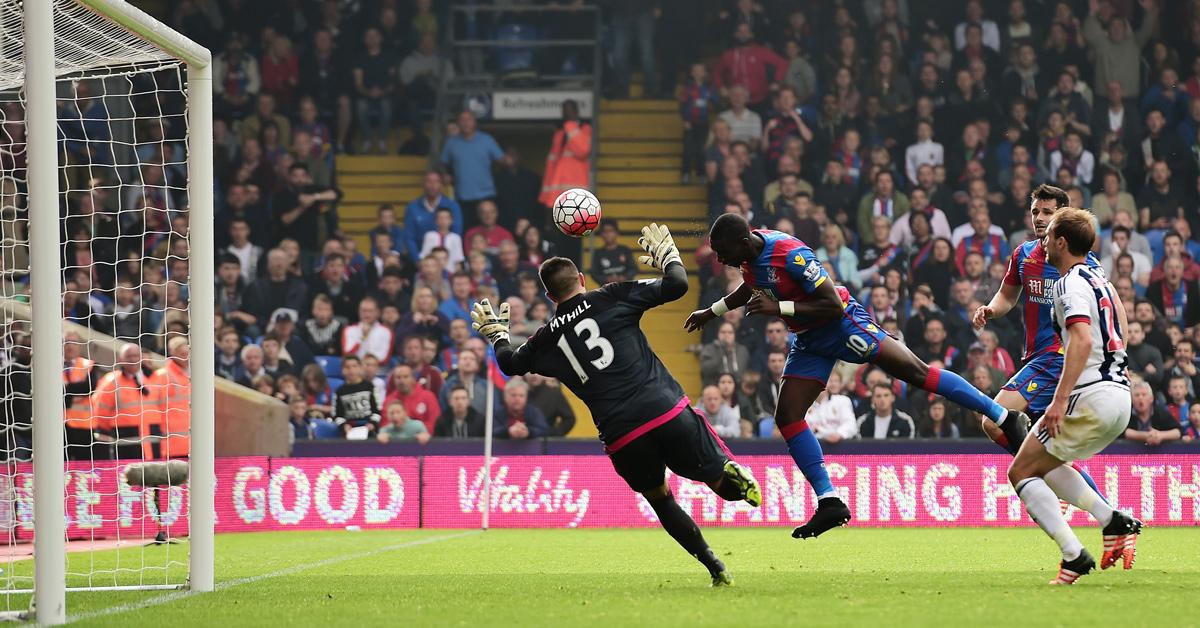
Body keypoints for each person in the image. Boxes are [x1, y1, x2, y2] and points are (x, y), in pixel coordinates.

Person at [687, 213, 1030, 539]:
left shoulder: (790, 254)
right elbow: (751, 286)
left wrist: (779, 308)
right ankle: (829, 501)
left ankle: (1004, 416)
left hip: (843, 325)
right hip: (810, 340)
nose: (720, 259)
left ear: (743, 242)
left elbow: (832, 304)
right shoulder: (748, 258)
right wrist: (711, 312)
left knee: (917, 372)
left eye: (722, 252)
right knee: (788, 417)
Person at [475, 224, 759, 586]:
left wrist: (498, 336)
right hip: (664, 409)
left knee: (661, 499)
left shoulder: (545, 339)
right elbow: (677, 285)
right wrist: (669, 257)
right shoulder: (609, 296)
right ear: (581, 279)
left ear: (549, 295)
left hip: (623, 436)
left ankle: (714, 566)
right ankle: (729, 471)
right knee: (718, 479)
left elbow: (510, 363)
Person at [1007, 207, 1141, 585]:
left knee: (1020, 471)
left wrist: (1059, 400)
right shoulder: (1101, 280)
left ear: (1062, 242)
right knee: (1047, 463)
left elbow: (1080, 339)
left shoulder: (1068, 283)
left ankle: (1073, 555)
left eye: (1049, 235)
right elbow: (1120, 329)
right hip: (1118, 396)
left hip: (1091, 396)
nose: (1044, 242)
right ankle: (1111, 520)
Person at [440, 111, 503, 224]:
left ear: (474, 122)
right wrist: (445, 174)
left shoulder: (487, 140)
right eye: (462, 120)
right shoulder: (451, 143)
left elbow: (502, 160)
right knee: (466, 230)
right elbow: (442, 163)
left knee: (487, 229)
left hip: (486, 195)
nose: (466, 123)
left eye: (469, 119)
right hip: (462, 197)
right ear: (458, 123)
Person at [538, 100, 591, 208]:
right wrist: (547, 195)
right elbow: (551, 164)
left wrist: (570, 125)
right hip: (557, 193)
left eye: (569, 111)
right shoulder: (559, 134)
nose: (566, 114)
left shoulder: (585, 129)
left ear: (576, 112)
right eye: (564, 111)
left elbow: (582, 151)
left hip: (577, 193)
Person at [333, 355, 380, 439]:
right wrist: (343, 425)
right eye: (347, 367)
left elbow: (377, 410)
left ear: (360, 368)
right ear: (342, 370)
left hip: (369, 429)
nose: (351, 370)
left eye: (354, 366)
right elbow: (336, 415)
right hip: (349, 431)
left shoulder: (370, 387)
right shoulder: (339, 392)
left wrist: (373, 423)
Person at [590, 219, 638, 285]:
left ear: (617, 233)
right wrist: (606, 279)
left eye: (610, 231)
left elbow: (634, 269)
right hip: (606, 289)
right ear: (601, 234)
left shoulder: (625, 250)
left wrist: (624, 278)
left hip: (625, 287)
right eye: (605, 231)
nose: (608, 234)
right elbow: (594, 273)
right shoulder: (598, 253)